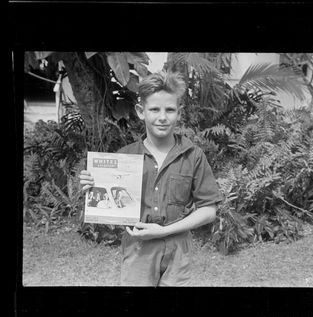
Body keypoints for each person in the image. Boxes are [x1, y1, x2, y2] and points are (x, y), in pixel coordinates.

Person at [79, 71, 222, 286]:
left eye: (170, 110)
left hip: (178, 251)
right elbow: (107, 208)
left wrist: (164, 231)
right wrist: (92, 188)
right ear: (140, 111)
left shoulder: (193, 156)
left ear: (179, 113)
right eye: (154, 109)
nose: (162, 117)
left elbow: (209, 210)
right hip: (138, 249)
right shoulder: (124, 157)